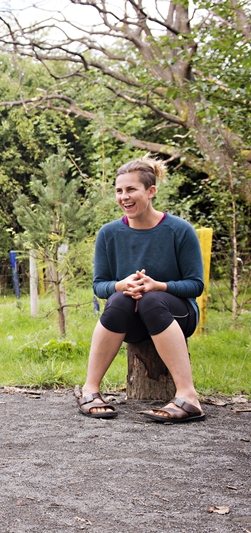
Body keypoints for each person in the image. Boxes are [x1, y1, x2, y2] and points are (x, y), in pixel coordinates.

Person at [76, 156, 205, 423]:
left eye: (131, 189)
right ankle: (90, 390)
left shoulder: (179, 230)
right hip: (130, 322)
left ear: (151, 191)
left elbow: (196, 285)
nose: (124, 197)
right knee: (118, 300)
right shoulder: (108, 234)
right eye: (119, 190)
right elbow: (99, 286)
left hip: (177, 317)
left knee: (151, 300)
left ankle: (188, 397)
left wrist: (158, 286)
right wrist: (121, 285)